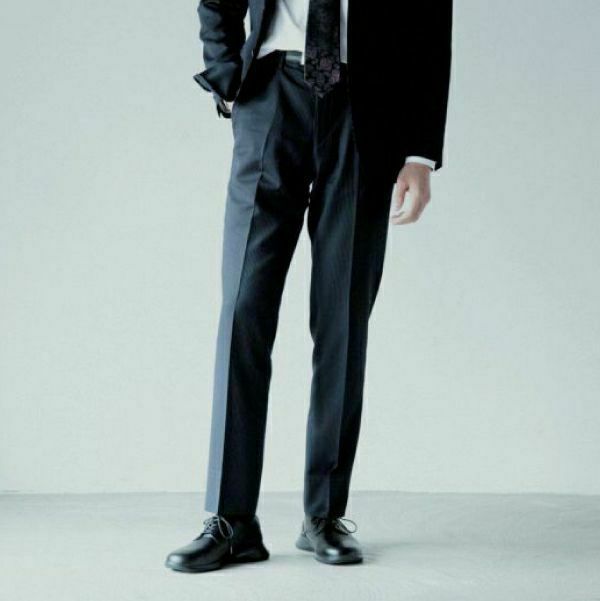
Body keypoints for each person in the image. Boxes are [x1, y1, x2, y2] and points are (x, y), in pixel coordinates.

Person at [165, 0, 452, 572]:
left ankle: (324, 514)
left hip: (369, 104)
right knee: (243, 310)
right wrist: (226, 76)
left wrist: (420, 152)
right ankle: (230, 519)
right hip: (271, 91)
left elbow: (429, 22)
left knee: (342, 317)